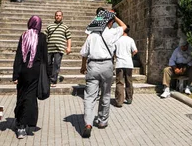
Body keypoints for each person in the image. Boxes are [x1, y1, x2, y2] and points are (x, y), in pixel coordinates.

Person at [80, 10, 126, 138]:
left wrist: (83, 67)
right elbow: (124, 26)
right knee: (105, 95)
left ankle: (88, 124)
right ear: (110, 22)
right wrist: (114, 16)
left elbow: (84, 53)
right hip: (107, 65)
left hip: (93, 65)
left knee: (89, 97)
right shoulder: (112, 33)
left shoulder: (91, 35)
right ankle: (102, 121)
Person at [12, 15, 49, 139]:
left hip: (23, 71)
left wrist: (15, 75)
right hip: (35, 71)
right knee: (30, 97)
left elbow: (18, 56)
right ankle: (24, 125)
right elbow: (45, 58)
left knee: (22, 96)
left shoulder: (24, 36)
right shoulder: (42, 37)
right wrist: (48, 75)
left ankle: (21, 122)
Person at [45, 11, 71, 86]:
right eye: (57, 15)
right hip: (49, 48)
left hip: (59, 49)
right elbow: (45, 36)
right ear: (54, 16)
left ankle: (53, 81)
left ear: (62, 16)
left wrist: (68, 47)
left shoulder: (65, 27)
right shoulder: (49, 26)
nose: (58, 17)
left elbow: (68, 38)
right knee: (48, 63)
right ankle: (48, 78)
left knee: (56, 64)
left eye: (59, 15)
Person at [114, 25, 138, 107]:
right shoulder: (131, 40)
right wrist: (130, 55)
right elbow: (135, 50)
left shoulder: (117, 40)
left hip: (119, 63)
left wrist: (116, 56)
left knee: (120, 82)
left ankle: (119, 101)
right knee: (129, 81)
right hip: (128, 63)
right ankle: (129, 98)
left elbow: (113, 50)